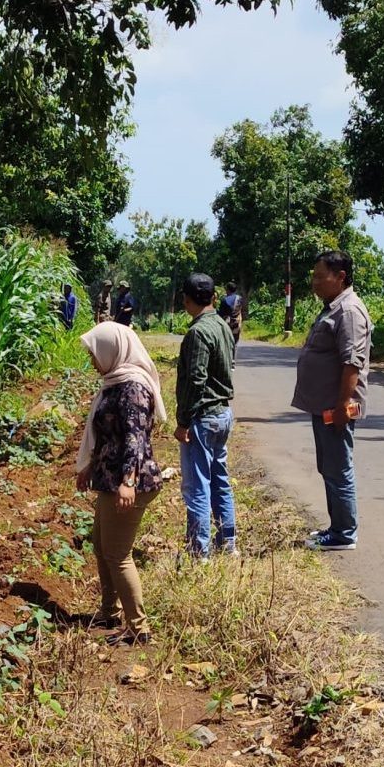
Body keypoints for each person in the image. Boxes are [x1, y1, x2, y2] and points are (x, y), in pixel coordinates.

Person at [76, 322, 166, 645]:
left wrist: (128, 481)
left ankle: (138, 628)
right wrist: (88, 467)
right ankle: (109, 611)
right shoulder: (113, 383)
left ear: (112, 350)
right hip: (109, 478)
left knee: (117, 553)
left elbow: (136, 439)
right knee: (100, 545)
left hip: (130, 482)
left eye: (94, 354)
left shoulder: (133, 388)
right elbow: (105, 432)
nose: (92, 361)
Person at [291, 250, 373, 551]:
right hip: (324, 404)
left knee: (338, 468)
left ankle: (344, 534)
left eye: (319, 276)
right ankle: (337, 526)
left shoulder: (349, 311)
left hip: (335, 406)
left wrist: (343, 405)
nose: (314, 282)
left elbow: (352, 363)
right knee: (329, 466)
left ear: (340, 277)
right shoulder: (333, 307)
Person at [175, 274, 238, 558]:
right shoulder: (223, 326)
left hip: (203, 417)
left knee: (197, 485)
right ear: (213, 297)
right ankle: (228, 543)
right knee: (219, 480)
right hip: (222, 413)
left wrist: (183, 421)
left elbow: (196, 380)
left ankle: (199, 552)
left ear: (187, 299)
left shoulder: (198, 333)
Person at [217, 281, 245, 348]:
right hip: (238, 323)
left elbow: (221, 314)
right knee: (235, 343)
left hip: (228, 325)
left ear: (227, 289)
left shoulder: (225, 300)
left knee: (226, 343)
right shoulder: (240, 299)